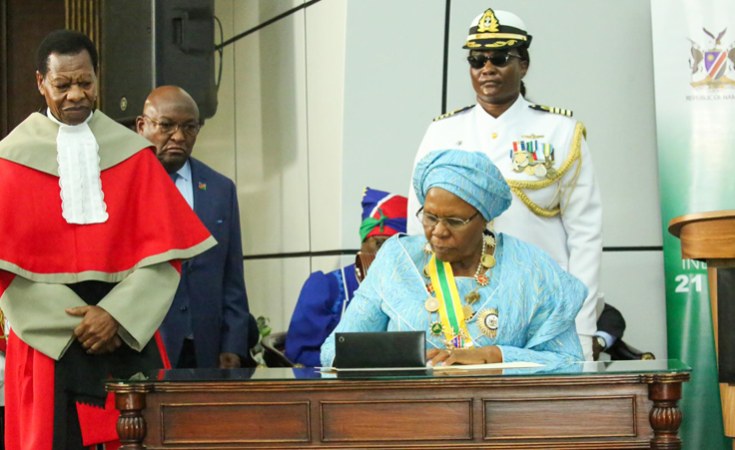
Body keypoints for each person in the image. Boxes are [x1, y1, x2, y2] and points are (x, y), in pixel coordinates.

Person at [0, 30, 214, 449]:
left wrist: (115, 316)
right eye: (63, 85)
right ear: (41, 83)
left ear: (98, 77)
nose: (76, 94)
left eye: (86, 82)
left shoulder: (133, 155)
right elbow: (8, 272)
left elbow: (165, 257)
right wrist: (80, 324)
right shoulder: (10, 160)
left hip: (128, 333)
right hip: (47, 342)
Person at [407, 7, 603, 360]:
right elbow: (417, 231)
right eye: (476, 60)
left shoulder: (560, 132)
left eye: (499, 58)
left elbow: (585, 236)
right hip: (458, 308)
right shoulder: (442, 133)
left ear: (523, 64)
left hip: (541, 307)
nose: (487, 68)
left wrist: (582, 327)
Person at [321, 150, 585, 367]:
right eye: (430, 217)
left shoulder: (531, 268)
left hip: (502, 410)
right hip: (411, 407)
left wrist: (494, 356)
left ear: (484, 219)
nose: (438, 231)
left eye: (455, 221)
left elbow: (569, 361)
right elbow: (334, 351)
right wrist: (408, 360)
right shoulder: (397, 260)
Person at [137, 85, 255, 369]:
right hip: (144, 344)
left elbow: (232, 276)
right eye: (166, 125)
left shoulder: (220, 189)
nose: (179, 136)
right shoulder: (123, 186)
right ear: (142, 126)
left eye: (189, 127)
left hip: (206, 347)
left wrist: (233, 344)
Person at [285, 187, 408, 367]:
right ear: (363, 241)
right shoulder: (327, 287)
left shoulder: (411, 291)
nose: (384, 254)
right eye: (379, 244)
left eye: (395, 248)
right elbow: (300, 353)